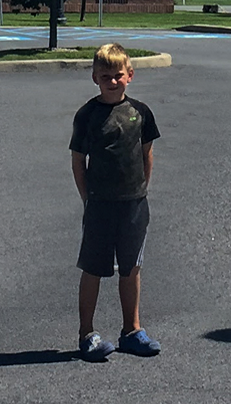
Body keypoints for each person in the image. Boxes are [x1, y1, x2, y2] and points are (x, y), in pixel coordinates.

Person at [69, 42, 162, 362]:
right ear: (94, 77)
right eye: (105, 76)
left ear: (130, 76)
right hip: (99, 204)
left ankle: (132, 331)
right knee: (93, 267)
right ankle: (87, 334)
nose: (112, 81)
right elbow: (78, 160)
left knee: (131, 267)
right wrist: (87, 197)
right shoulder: (88, 115)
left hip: (134, 203)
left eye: (118, 75)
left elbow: (146, 153)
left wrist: (141, 189)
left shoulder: (140, 112)